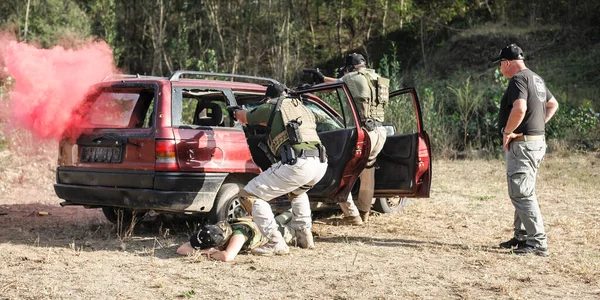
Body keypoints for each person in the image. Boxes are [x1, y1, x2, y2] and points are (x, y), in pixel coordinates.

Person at [227, 83, 328, 255]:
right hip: (320, 163)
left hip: (298, 163)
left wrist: (234, 111)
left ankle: (275, 242)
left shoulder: (274, 105)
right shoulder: (302, 107)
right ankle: (305, 236)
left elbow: (244, 117)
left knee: (248, 195)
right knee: (297, 192)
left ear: (268, 98)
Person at [492, 44, 559, 256]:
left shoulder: (518, 79)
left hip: (523, 145)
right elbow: (553, 104)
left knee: (521, 193)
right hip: (534, 142)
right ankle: (521, 236)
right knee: (523, 189)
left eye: (501, 64)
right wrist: (537, 126)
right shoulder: (536, 79)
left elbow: (520, 108)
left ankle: (537, 242)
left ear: (508, 62)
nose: (500, 69)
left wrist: (508, 132)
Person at [307, 53, 389, 226]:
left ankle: (352, 216)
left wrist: (318, 81)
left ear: (350, 67)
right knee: (368, 174)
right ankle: (364, 212)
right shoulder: (376, 77)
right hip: (380, 131)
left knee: (341, 172)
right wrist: (324, 78)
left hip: (365, 132)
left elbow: (332, 87)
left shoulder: (352, 77)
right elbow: (341, 82)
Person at [176, 212, 296, 262]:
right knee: (285, 216)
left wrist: (208, 253)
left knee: (294, 224)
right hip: (262, 224)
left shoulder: (238, 235)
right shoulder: (214, 231)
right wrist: (203, 251)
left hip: (270, 233)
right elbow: (181, 249)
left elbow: (227, 256)